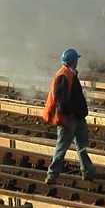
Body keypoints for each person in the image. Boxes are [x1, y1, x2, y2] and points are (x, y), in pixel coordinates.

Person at [42, 48, 96, 184]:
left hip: (77, 117)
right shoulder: (63, 75)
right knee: (62, 148)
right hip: (69, 118)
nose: (77, 62)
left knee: (82, 146)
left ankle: (87, 172)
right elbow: (61, 100)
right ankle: (52, 175)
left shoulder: (70, 74)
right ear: (73, 61)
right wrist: (67, 116)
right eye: (76, 59)